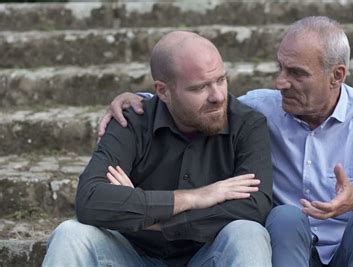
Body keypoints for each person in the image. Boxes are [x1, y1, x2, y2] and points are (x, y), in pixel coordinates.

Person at [99, 16, 353, 266]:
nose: (281, 82)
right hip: (286, 247)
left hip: (349, 247)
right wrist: (139, 102)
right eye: (280, 68)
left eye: (297, 73)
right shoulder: (260, 108)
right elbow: (200, 105)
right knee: (285, 215)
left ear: (336, 75)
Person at [42, 31, 273, 267]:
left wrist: (152, 219)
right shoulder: (131, 122)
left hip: (208, 257)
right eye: (200, 88)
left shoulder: (246, 124)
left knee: (248, 233)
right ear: (163, 91)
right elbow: (90, 200)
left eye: (221, 80)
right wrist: (196, 198)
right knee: (70, 234)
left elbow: (255, 206)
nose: (218, 96)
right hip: (132, 257)